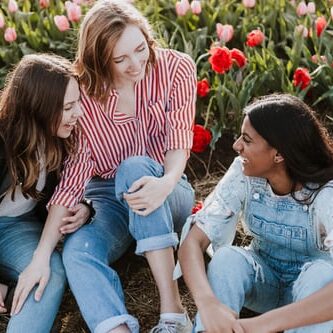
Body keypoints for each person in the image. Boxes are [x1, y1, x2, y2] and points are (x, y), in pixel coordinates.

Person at [11, 1, 197, 332]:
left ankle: (173, 314)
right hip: (109, 197)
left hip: (167, 188)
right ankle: (116, 328)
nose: (136, 64)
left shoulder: (177, 68)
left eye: (140, 49)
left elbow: (179, 141)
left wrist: (166, 182)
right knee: (77, 252)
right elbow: (73, 179)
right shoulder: (83, 95)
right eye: (120, 59)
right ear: (99, 59)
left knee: (134, 168)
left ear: (147, 36)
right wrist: (42, 254)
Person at [178, 93, 333, 333]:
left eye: (247, 140)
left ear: (279, 154)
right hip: (265, 282)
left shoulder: (326, 194)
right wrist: (207, 303)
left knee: (322, 274)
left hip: (312, 300)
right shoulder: (243, 172)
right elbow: (193, 242)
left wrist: (259, 326)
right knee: (227, 258)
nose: (236, 145)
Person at [0, 53, 90, 332]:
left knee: (48, 274)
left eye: (78, 103)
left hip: (17, 228)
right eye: (68, 107)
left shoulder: (63, 137)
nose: (79, 113)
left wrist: (85, 207)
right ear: (38, 108)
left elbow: (75, 183)